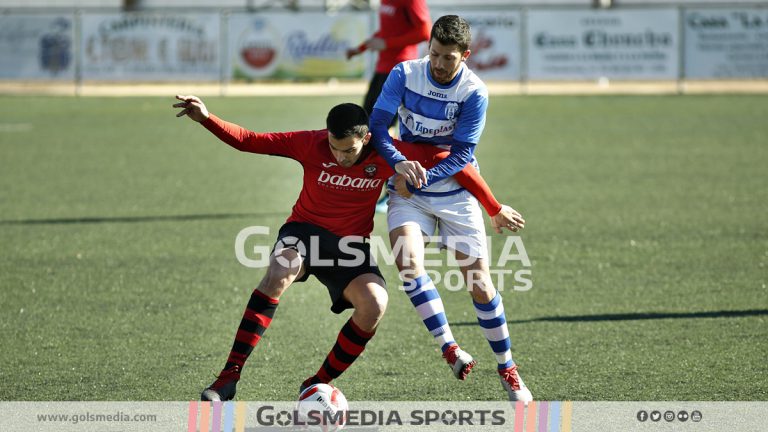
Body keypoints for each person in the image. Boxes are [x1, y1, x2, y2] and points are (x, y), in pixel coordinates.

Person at [173, 95, 521, 401]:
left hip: (351, 247)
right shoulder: (310, 144)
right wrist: (207, 118)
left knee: (375, 304)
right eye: (335, 148)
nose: (340, 157)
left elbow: (449, 157)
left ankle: (317, 385)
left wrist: (493, 206)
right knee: (279, 270)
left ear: (367, 138)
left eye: (349, 150)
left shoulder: (389, 153)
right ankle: (228, 377)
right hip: (304, 233)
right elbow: (250, 140)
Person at [368, 15, 533, 403]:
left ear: (466, 56)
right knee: (407, 263)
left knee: (479, 284)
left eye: (449, 58)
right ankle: (450, 347)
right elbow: (377, 127)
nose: (439, 64)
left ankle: (507, 367)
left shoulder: (475, 91)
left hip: (456, 192)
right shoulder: (405, 73)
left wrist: (419, 175)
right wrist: (398, 165)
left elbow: (461, 156)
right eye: (435, 54)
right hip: (411, 190)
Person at [347, 0, 431, 214]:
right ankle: (371, 187)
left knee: (382, 130)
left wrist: (388, 44)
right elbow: (386, 31)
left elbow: (424, 31)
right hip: (382, 69)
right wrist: (361, 48)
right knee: (365, 128)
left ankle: (393, 189)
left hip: (399, 70)